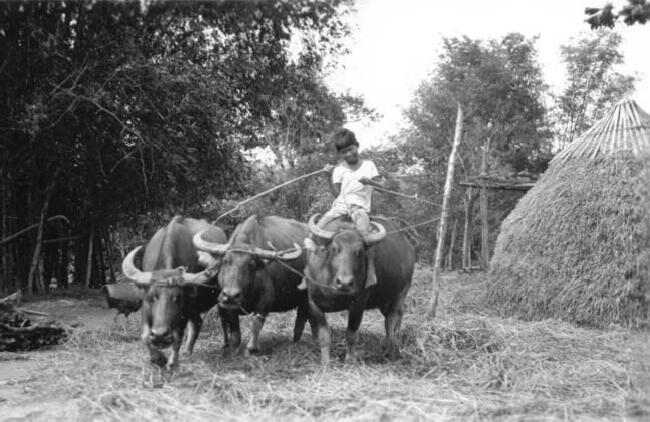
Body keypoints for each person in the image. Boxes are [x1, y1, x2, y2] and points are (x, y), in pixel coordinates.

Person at [298, 128, 386, 290]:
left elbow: (382, 188)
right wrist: (327, 176)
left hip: (359, 209)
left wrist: (370, 182)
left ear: (357, 146)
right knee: (314, 233)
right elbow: (336, 193)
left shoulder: (369, 165)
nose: (348, 154)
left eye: (351, 150)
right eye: (344, 152)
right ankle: (307, 274)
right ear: (340, 154)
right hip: (339, 208)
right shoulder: (339, 169)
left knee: (366, 238)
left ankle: (371, 273)